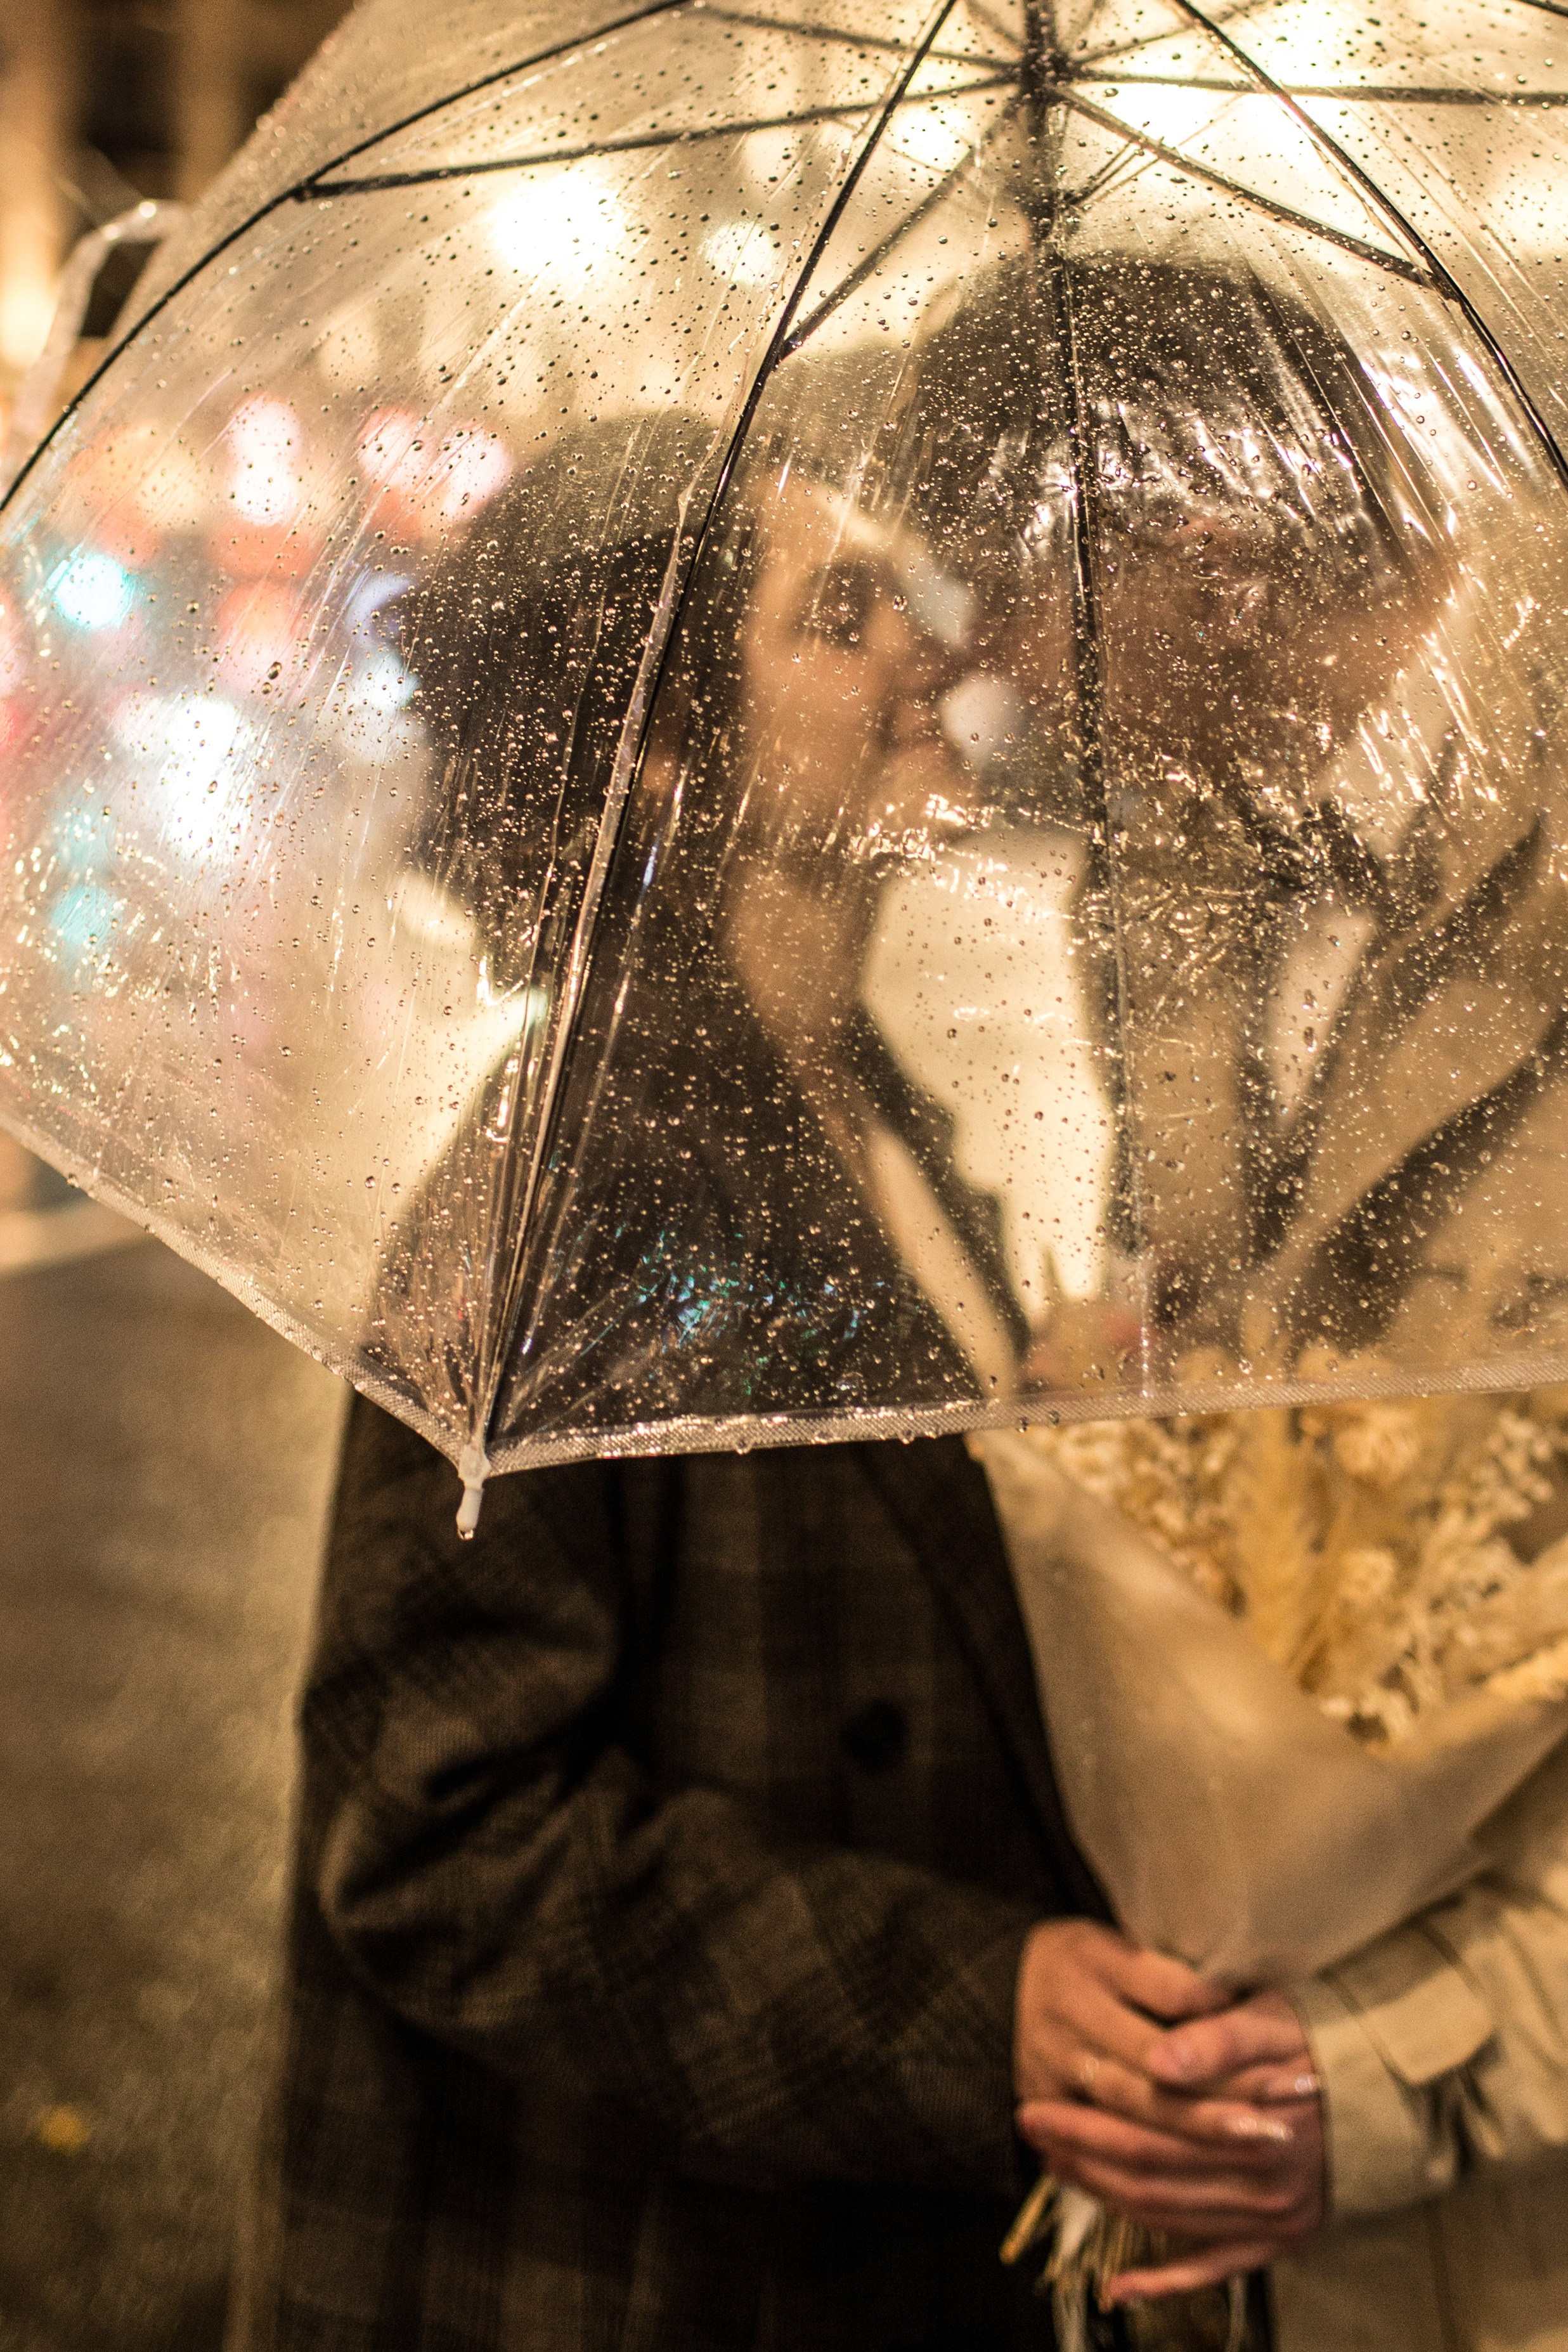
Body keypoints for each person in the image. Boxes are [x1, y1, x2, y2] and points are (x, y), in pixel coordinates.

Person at [228, 389, 1323, 2352]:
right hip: (657, 2277)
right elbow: (435, 1837)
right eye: (835, 617)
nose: (923, 649)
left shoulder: (861, 1105)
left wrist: (1055, 1428)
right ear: (662, 747)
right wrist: (973, 2007)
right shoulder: (575, 1187)